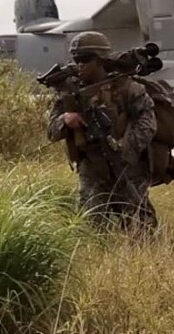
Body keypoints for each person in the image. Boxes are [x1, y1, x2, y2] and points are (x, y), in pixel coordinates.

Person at [46, 31, 158, 232]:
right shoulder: (70, 93)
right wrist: (66, 119)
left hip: (127, 168)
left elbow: (147, 123)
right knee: (91, 230)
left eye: (85, 59)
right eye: (76, 59)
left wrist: (124, 150)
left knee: (141, 227)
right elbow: (52, 131)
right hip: (92, 170)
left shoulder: (128, 88)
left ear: (100, 60)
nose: (79, 64)